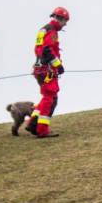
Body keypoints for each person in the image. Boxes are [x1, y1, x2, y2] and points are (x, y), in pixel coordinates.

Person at [25, 7, 69, 138]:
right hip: (46, 70)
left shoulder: (44, 29)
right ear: (59, 19)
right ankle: (42, 129)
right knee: (50, 98)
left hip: (40, 69)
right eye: (65, 21)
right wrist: (58, 65)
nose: (65, 24)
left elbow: (40, 50)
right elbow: (47, 51)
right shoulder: (52, 31)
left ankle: (33, 123)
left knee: (47, 97)